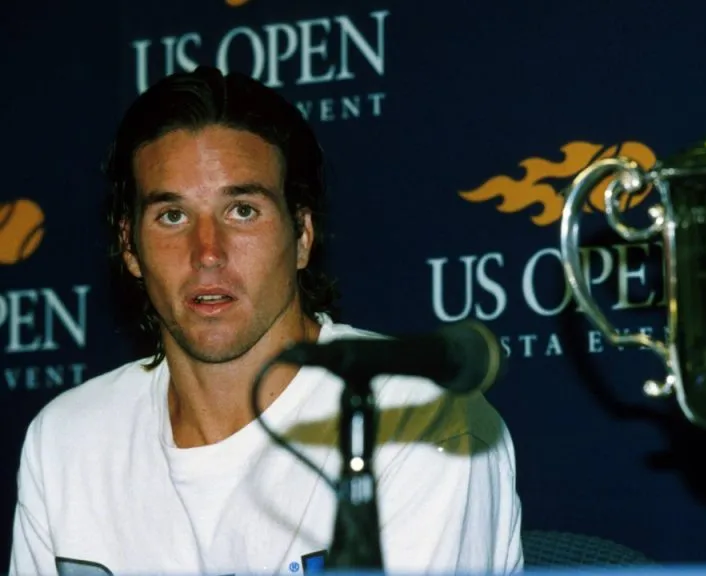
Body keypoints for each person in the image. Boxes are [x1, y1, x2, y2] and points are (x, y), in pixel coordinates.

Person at [8, 65, 523, 576]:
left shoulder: (421, 419)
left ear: (301, 234)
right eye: (172, 216)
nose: (207, 252)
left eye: (242, 211)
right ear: (130, 247)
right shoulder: (66, 439)